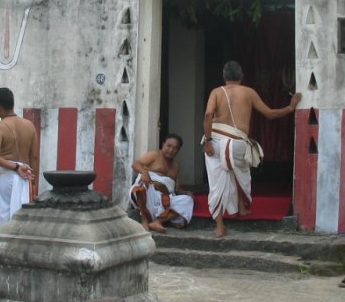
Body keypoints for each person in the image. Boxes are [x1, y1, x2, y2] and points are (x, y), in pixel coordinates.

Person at [203, 61, 301, 238]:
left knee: (216, 182)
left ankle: (219, 227)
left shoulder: (216, 92)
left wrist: (208, 140)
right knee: (241, 173)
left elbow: (209, 114)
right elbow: (270, 114)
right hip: (237, 141)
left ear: (224, 77)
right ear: (242, 77)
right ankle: (242, 207)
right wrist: (291, 107)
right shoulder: (249, 92)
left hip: (216, 140)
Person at [0, 87, 37, 234]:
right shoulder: (29, 125)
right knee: (20, 223)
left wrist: (14, 167)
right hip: (24, 179)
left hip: (4, 178)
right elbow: (34, 157)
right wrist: (33, 181)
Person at [129, 133, 194, 233]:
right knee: (142, 186)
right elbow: (136, 164)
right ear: (163, 144)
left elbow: (176, 189)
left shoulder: (176, 166)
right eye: (169, 146)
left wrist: (186, 193)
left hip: (165, 199)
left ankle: (157, 222)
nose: (171, 150)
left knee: (188, 200)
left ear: (178, 150)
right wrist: (144, 172)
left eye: (175, 148)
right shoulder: (154, 155)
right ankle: (144, 220)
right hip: (150, 192)